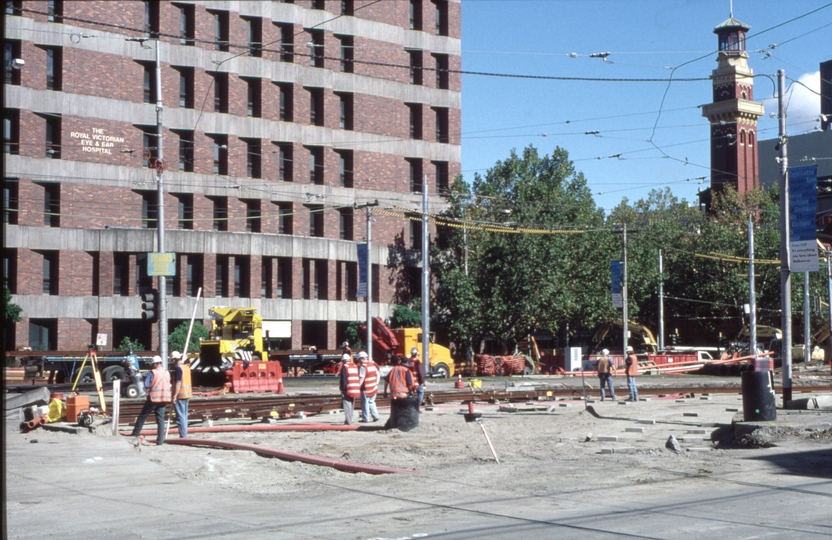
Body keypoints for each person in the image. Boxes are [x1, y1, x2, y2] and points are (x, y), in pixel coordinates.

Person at [130, 356, 171, 445]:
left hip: (153, 398)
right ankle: (160, 441)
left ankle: (135, 433)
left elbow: (147, 385)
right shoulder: (167, 372)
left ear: (155, 364)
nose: (152, 366)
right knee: (160, 420)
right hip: (164, 398)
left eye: (152, 364)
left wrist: (146, 390)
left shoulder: (153, 372)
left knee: (143, 416)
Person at [383, 356, 415, 429]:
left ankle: (392, 426)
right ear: (407, 363)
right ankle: (402, 425)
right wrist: (411, 392)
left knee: (394, 411)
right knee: (404, 411)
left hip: (393, 394)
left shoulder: (393, 369)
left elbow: (386, 381)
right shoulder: (406, 370)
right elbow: (409, 384)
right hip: (403, 395)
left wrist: (385, 392)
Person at [170, 351, 192, 438]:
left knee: (180, 417)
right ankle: (184, 434)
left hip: (180, 395)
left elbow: (178, 383)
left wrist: (174, 396)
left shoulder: (178, 368)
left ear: (174, 360)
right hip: (187, 394)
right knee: (184, 416)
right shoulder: (186, 367)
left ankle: (183, 435)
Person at [356, 351, 380, 423]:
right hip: (373, 387)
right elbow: (378, 374)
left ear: (362, 358)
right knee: (371, 402)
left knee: (365, 404)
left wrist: (357, 387)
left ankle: (365, 418)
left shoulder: (363, 367)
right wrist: (376, 383)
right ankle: (376, 416)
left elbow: (362, 378)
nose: (359, 361)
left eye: (359, 359)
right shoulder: (372, 365)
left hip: (366, 388)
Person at [339, 353, 360, 425]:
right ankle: (349, 419)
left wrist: (342, 388)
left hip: (348, 389)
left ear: (343, 361)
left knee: (347, 405)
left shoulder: (344, 367)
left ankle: (349, 422)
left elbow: (343, 379)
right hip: (355, 388)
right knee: (351, 405)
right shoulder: (354, 366)